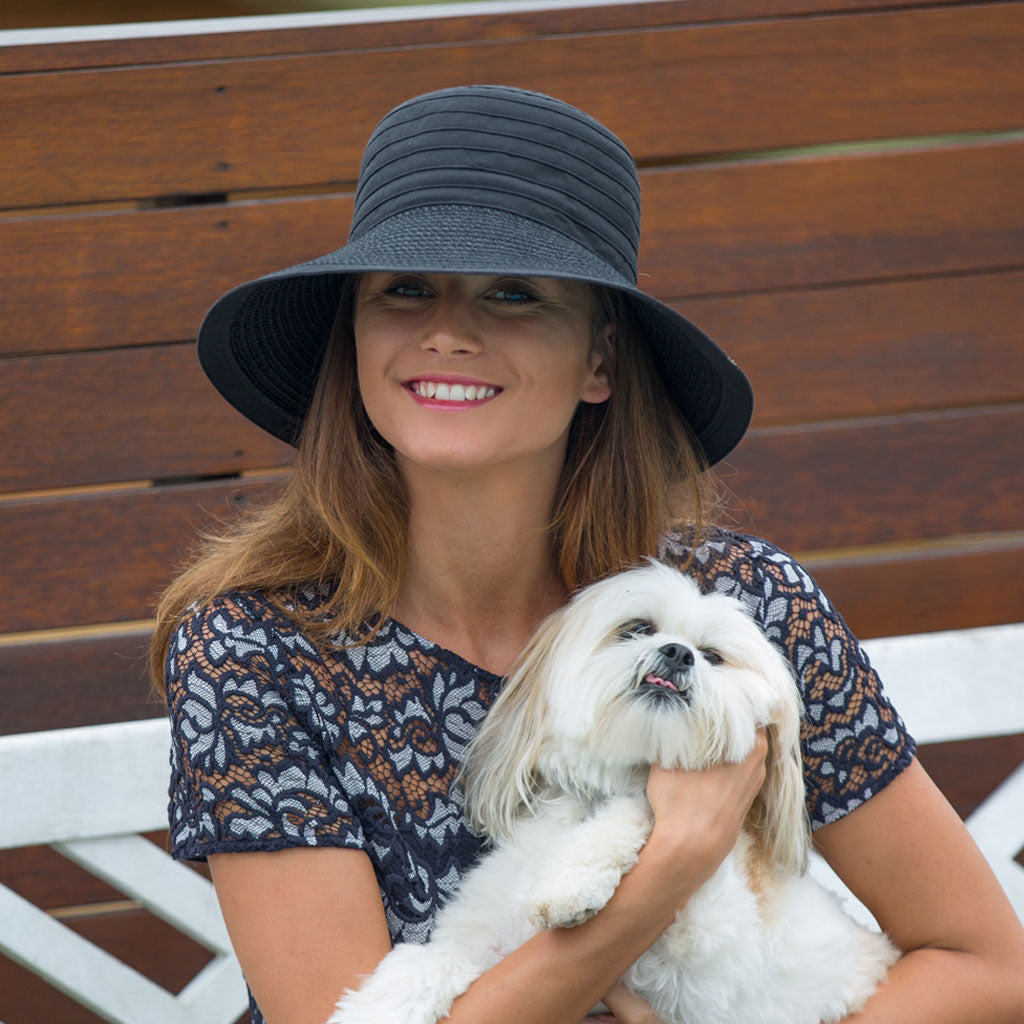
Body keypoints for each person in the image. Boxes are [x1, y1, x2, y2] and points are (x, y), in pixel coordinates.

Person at [153, 85, 1024, 1024]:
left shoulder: (743, 608)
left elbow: (988, 967)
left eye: (515, 293)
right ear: (354, 337)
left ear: (601, 361)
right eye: (405, 289)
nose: (447, 330)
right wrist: (671, 864)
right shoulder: (252, 649)